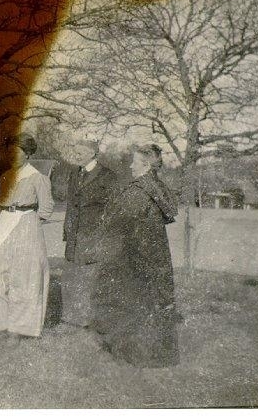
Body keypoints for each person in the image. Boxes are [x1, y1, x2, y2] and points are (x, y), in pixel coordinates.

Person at [80, 144, 181, 368]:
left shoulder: (138, 191)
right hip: (152, 255)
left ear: (146, 165)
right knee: (153, 301)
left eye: (135, 162)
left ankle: (134, 355)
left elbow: (117, 222)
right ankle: (158, 355)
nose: (131, 166)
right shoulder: (157, 186)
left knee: (130, 302)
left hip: (133, 254)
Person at [0, 132, 54, 347]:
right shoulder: (5, 175)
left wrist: (30, 224)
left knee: (24, 276)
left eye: (17, 152)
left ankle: (20, 328)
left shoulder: (37, 177)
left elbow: (46, 208)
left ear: (27, 154)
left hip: (26, 225)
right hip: (4, 223)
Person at [57, 138, 118, 331]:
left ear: (92, 153)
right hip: (74, 236)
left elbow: (113, 208)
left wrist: (103, 235)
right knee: (70, 276)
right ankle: (69, 319)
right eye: (75, 152)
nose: (76, 155)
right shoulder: (75, 173)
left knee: (89, 278)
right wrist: (67, 231)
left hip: (93, 235)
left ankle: (87, 321)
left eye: (80, 152)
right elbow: (71, 205)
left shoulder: (107, 176)